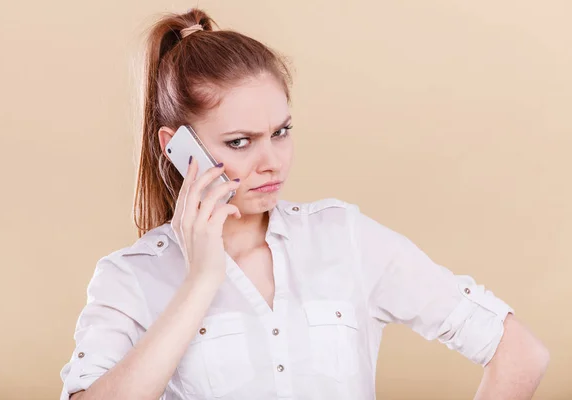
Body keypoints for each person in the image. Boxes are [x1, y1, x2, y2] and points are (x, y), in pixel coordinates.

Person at [59, 8, 550, 400]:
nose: (271, 161)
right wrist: (200, 282)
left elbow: (521, 353)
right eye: (239, 142)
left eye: (281, 132)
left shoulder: (345, 238)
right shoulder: (130, 278)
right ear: (176, 147)